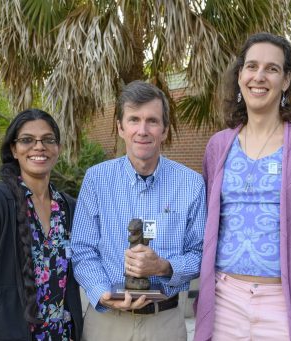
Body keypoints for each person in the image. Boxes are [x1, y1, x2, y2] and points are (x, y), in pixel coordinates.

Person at [193, 32, 291, 341]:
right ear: (239, 76)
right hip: (224, 300)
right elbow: (209, 222)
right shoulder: (218, 146)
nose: (259, 76)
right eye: (251, 66)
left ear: (286, 80)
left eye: (271, 69)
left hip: (282, 304)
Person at [71, 80, 207, 341]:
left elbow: (200, 254)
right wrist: (102, 292)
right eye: (134, 119)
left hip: (164, 323)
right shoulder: (97, 180)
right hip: (106, 324)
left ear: (165, 130)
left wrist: (164, 266)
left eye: (152, 121)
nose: (142, 130)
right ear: (121, 127)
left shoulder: (190, 184)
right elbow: (82, 249)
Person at [0, 109, 83, 340]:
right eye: (27, 140)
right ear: (14, 150)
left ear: (58, 149)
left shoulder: (69, 208)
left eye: (48, 140)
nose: (39, 147)